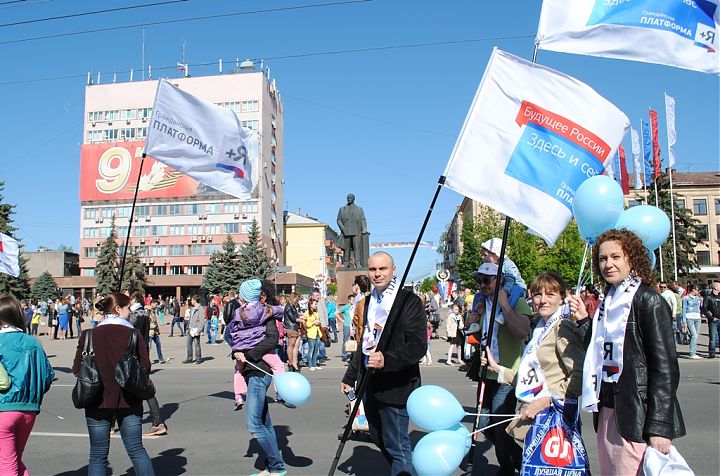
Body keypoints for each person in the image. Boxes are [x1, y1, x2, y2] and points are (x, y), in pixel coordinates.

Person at [569, 229, 685, 476]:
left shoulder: (648, 300)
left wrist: (660, 427)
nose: (608, 264)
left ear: (630, 258)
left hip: (637, 414)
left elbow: (665, 369)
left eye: (615, 257)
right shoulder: (609, 301)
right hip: (609, 409)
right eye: (602, 259)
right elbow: (604, 349)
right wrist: (583, 322)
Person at [341, 251, 426, 475]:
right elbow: (365, 342)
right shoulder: (369, 301)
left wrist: (387, 359)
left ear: (393, 270)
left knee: (398, 447)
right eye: (373, 269)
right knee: (379, 438)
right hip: (371, 384)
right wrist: (350, 376)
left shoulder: (408, 300)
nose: (377, 274)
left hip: (397, 385)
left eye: (382, 269)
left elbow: (418, 346)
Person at [484, 272, 589, 448]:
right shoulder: (540, 327)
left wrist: (546, 401)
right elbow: (530, 378)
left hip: (555, 417)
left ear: (562, 298)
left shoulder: (562, 328)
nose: (543, 300)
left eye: (550, 294)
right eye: (538, 294)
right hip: (536, 415)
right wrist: (496, 368)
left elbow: (578, 376)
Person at [72, 292, 156, 475]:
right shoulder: (133, 334)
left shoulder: (89, 335)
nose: (130, 313)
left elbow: (77, 369)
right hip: (129, 399)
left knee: (98, 455)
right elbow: (146, 366)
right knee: (136, 450)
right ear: (118, 309)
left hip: (96, 401)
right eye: (127, 309)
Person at [468, 262, 532, 475]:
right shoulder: (482, 304)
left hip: (507, 375)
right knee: (485, 423)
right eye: (479, 281)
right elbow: (480, 336)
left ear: (501, 280)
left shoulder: (517, 302)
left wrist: (504, 305)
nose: (482, 285)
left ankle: (511, 468)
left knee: (500, 430)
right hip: (486, 372)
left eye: (487, 280)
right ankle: (521, 463)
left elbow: (522, 331)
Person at [232, 296, 287, 476]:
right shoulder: (241, 314)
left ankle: (277, 466)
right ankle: (273, 467)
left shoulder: (267, 314)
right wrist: (236, 352)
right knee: (264, 423)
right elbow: (233, 338)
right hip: (250, 372)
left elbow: (272, 340)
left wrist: (248, 354)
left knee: (254, 424)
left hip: (259, 373)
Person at [0, 295, 54, 475]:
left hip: (3, 408)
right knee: (13, 460)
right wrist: (33, 393)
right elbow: (48, 376)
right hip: (29, 409)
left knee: (7, 465)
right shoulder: (33, 342)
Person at [228, 279, 287, 409]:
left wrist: (236, 348)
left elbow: (232, 329)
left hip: (242, 348)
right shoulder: (265, 309)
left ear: (243, 296)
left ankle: (238, 396)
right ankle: (281, 393)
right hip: (260, 346)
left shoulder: (239, 312)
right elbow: (280, 312)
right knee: (278, 366)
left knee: (238, 370)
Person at [129, 291, 168, 437]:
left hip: (134, 355)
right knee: (143, 388)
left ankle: (157, 422)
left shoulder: (135, 315)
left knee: (124, 385)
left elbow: (131, 335)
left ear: (133, 299)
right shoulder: (144, 313)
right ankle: (156, 421)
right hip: (143, 352)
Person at [337, 193, 369, 268]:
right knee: (346, 249)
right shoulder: (342, 209)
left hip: (356, 232)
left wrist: (364, 229)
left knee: (356, 248)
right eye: (347, 197)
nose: (349, 199)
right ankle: (346, 263)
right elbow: (338, 220)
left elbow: (363, 220)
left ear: (354, 199)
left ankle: (357, 263)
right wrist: (343, 228)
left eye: (350, 197)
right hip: (346, 232)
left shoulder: (359, 209)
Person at [682, 284, 703, 359]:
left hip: (697, 317)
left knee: (695, 335)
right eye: (697, 290)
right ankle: (692, 353)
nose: (698, 291)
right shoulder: (686, 298)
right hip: (689, 317)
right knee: (694, 335)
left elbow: (700, 308)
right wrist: (684, 321)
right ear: (693, 290)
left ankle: (694, 351)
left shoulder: (698, 298)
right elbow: (683, 310)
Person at [183, 295, 205, 365]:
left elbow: (201, 321)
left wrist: (199, 330)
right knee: (188, 344)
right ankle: (189, 358)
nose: (191, 301)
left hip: (196, 329)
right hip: (190, 328)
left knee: (196, 344)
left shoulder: (201, 309)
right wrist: (188, 326)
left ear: (195, 300)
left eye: (192, 300)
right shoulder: (192, 308)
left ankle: (198, 358)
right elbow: (191, 318)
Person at [283, 292, 302, 372]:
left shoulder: (293, 306)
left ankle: (295, 363)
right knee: (291, 345)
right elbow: (292, 318)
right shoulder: (288, 307)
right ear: (293, 298)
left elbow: (296, 316)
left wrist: (300, 316)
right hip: (291, 328)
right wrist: (300, 319)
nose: (297, 301)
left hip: (296, 327)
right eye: (296, 299)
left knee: (296, 346)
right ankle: (290, 363)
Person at [703, 281, 720, 359]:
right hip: (713, 321)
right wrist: (712, 318)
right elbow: (704, 309)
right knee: (713, 338)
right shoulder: (708, 297)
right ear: (716, 287)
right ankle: (712, 353)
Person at [304, 298, 322, 370]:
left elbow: (318, 321)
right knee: (311, 349)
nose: (316, 305)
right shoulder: (307, 313)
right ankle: (310, 365)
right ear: (310, 305)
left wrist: (318, 322)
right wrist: (314, 322)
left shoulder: (316, 313)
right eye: (315, 304)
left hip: (317, 332)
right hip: (311, 333)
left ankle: (314, 364)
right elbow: (307, 324)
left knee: (316, 349)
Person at [337, 294, 354, 362]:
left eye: (354, 300)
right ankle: (344, 354)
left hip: (353, 326)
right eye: (352, 300)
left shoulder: (354, 306)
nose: (353, 301)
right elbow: (336, 312)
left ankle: (352, 354)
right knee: (346, 340)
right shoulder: (346, 307)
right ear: (349, 300)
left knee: (353, 340)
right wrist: (341, 320)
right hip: (346, 325)